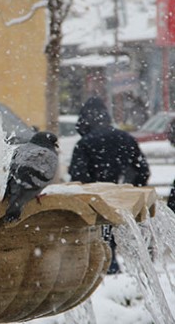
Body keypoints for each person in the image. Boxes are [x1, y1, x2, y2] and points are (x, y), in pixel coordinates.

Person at [69, 97, 150, 274]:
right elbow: (142, 170)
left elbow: (77, 178)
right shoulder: (125, 138)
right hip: (123, 205)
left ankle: (108, 274)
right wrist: (130, 191)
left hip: (96, 205)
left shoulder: (84, 144)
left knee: (102, 247)